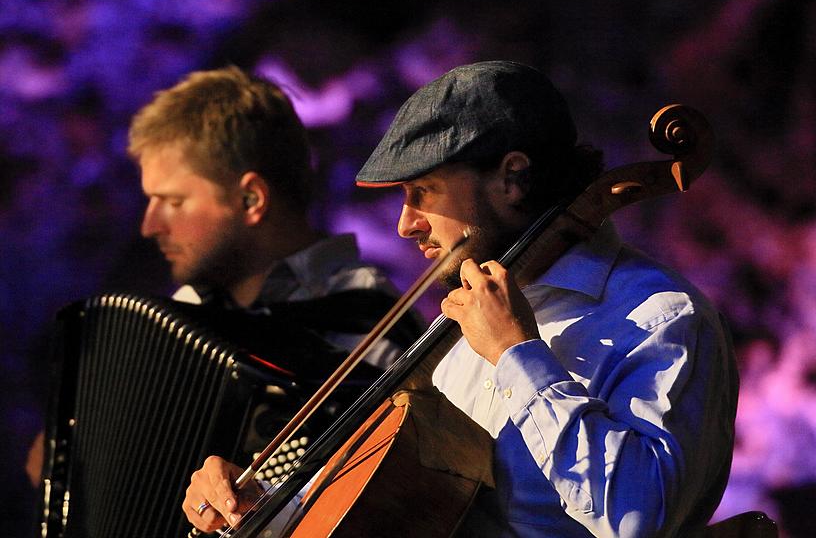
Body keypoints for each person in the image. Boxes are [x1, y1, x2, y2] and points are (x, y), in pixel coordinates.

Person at [183, 61, 738, 538]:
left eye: (422, 192)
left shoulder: (660, 317)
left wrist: (519, 356)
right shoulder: (464, 331)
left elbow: (639, 518)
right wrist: (269, 510)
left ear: (512, 178)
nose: (405, 224)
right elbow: (396, 511)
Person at [127, 65, 409, 369]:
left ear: (252, 200)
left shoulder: (367, 321)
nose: (150, 227)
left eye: (174, 201)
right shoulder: (186, 311)